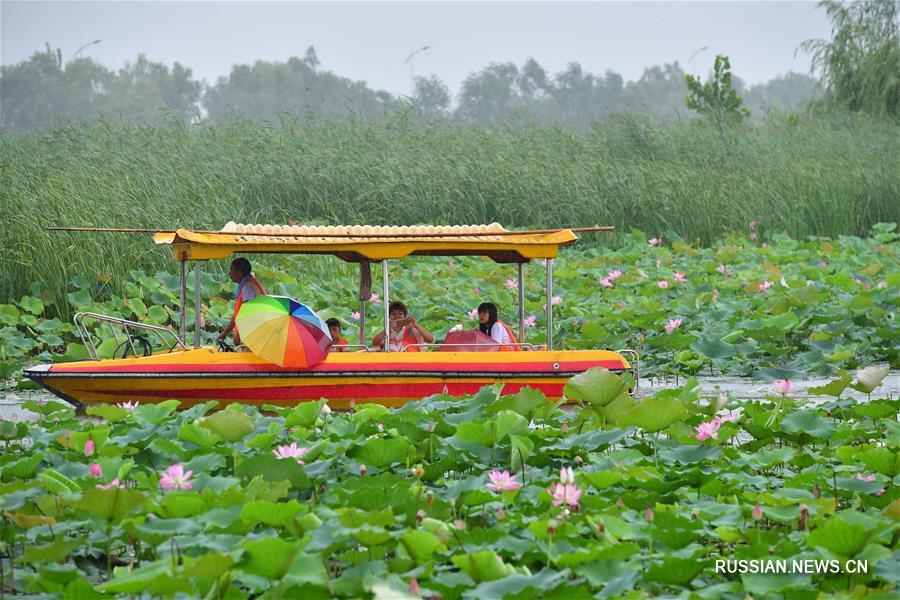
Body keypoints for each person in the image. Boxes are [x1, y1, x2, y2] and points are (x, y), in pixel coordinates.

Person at [217, 257, 267, 347]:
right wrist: (225, 333)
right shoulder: (253, 284)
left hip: (250, 341)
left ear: (239, 273)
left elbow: (247, 314)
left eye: (232, 270)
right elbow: (239, 313)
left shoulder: (247, 288)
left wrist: (236, 336)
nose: (229, 273)